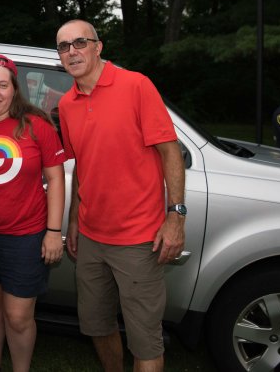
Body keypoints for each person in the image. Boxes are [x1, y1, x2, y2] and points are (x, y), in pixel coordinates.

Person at [56, 19, 185, 372]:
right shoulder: (67, 104)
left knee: (144, 338)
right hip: (92, 238)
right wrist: (74, 220)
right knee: (97, 326)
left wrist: (175, 217)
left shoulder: (135, 85)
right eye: (64, 47)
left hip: (138, 239)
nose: (72, 51)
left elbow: (170, 152)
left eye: (79, 42)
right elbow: (84, 163)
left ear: (98, 47)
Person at [0, 54, 66, 372]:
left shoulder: (37, 126)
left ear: (14, 89)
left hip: (26, 236)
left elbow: (56, 179)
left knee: (19, 317)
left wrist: (53, 231)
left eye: (2, 85)